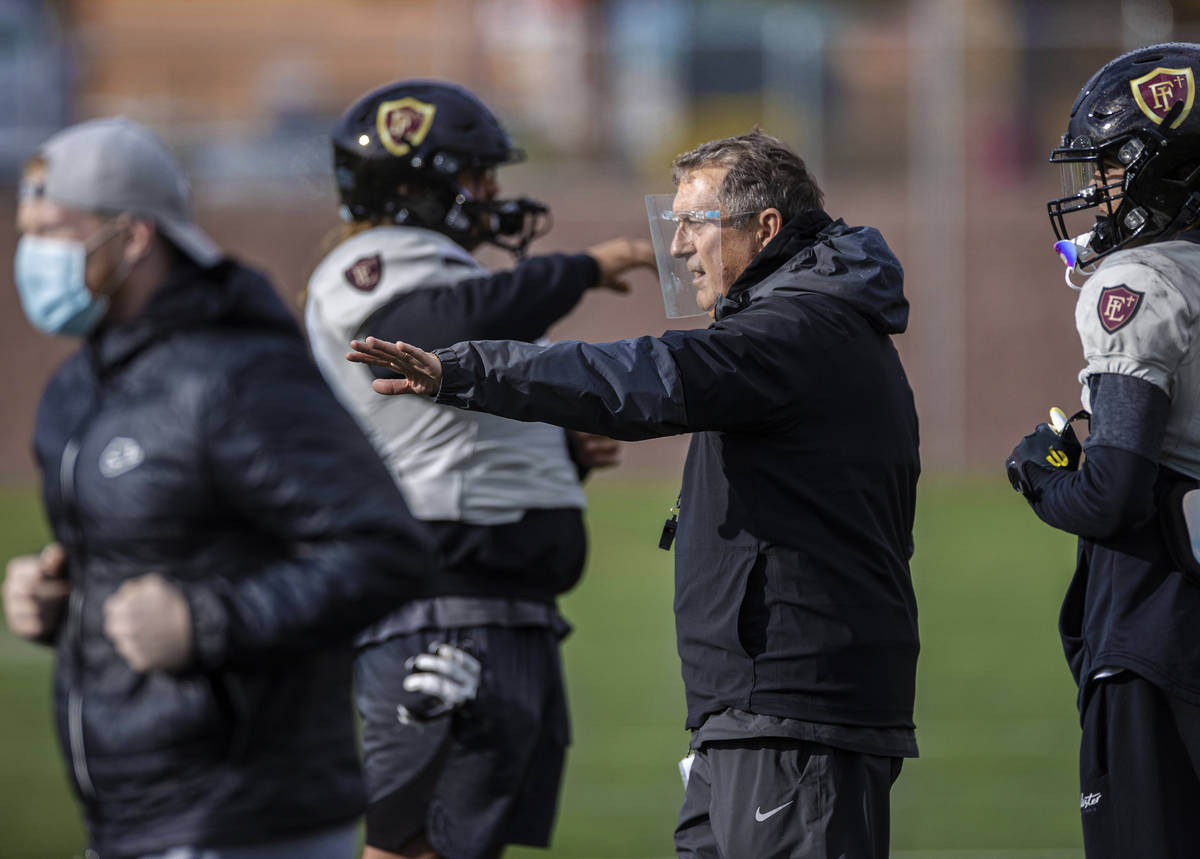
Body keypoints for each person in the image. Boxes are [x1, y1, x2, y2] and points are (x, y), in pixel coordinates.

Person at [348, 129, 921, 859]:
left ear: (766, 227)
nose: (678, 246)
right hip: (757, 709)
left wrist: (466, 371)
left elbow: (641, 377)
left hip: (791, 708)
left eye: (696, 223)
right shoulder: (804, 317)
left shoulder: (798, 327)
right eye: (673, 222)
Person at [1, 117, 437, 859]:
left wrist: (210, 622)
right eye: (26, 230)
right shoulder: (80, 388)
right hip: (128, 813)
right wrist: (66, 601)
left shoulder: (240, 375)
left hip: (245, 815)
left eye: (53, 230)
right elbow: (161, 547)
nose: (30, 254)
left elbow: (386, 549)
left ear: (133, 237)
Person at [304, 79, 652, 859]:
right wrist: (581, 269)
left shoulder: (442, 264)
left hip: (503, 604)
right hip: (442, 605)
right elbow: (434, 335)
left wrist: (556, 456)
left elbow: (446, 407)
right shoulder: (371, 265)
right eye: (472, 172)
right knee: (411, 847)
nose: (491, 192)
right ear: (411, 183)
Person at [1006, 41, 1200, 858]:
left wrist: (1042, 472)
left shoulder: (1142, 282)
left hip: (1157, 625)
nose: (1096, 189)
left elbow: (1112, 491)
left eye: (1114, 167)